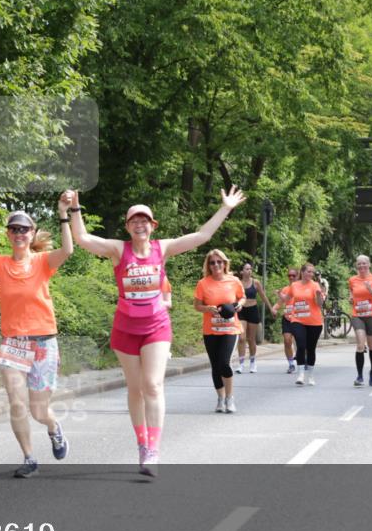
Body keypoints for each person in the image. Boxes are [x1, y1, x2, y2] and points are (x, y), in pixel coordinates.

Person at [67, 186, 246, 476]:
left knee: (152, 385)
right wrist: (75, 208)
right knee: (135, 389)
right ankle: (141, 442)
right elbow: (83, 238)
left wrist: (225, 208)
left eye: (145, 220)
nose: (140, 224)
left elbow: (201, 237)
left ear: (152, 226)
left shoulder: (162, 249)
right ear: (128, 226)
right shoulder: (117, 250)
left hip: (155, 326)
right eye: (134, 220)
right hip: (125, 328)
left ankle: (153, 448)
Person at [0, 192, 73, 478]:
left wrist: (64, 213)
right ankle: (29, 457)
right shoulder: (0, 264)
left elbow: (68, 250)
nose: (19, 233)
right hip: (13, 343)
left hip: (44, 342)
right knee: (16, 402)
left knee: (38, 410)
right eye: (14, 229)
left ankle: (53, 428)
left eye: (24, 229)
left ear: (31, 233)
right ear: (8, 235)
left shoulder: (43, 262)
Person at [193, 250, 246, 413]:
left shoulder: (234, 281)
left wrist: (240, 304)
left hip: (230, 329)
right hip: (211, 330)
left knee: (224, 363)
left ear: (224, 264)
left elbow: (242, 297)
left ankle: (230, 398)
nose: (216, 265)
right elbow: (196, 305)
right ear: (208, 265)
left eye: (219, 262)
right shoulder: (203, 283)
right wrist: (207, 308)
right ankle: (220, 398)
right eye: (212, 262)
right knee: (216, 366)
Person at [277, 263, 327, 386]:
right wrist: (280, 296)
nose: (311, 274)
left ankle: (310, 375)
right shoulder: (294, 285)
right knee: (301, 345)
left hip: (314, 321)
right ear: (303, 272)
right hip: (298, 320)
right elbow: (288, 299)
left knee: (311, 349)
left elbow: (320, 304)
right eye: (308, 271)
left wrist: (319, 296)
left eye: (312, 272)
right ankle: (300, 374)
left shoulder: (315, 285)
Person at [347, 255, 372, 387]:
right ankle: (359, 376)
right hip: (357, 315)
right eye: (359, 264)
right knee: (360, 344)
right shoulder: (352, 280)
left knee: (371, 346)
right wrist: (351, 299)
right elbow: (352, 294)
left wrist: (371, 291)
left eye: (364, 263)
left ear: (369, 265)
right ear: (356, 266)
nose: (361, 266)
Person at [235, 262, 271, 374]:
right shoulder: (238, 283)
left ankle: (252, 362)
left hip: (253, 311)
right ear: (242, 272)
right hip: (241, 311)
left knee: (251, 339)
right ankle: (240, 364)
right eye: (246, 269)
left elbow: (263, 296)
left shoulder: (256, 283)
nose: (249, 271)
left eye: (250, 269)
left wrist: (271, 308)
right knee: (241, 338)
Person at [270, 268, 300, 373]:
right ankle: (291, 364)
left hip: (299, 319)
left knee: (300, 343)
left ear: (297, 276)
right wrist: (274, 308)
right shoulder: (285, 289)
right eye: (289, 275)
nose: (291, 277)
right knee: (287, 341)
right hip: (287, 318)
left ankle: (303, 361)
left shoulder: (301, 288)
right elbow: (280, 302)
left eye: (293, 275)